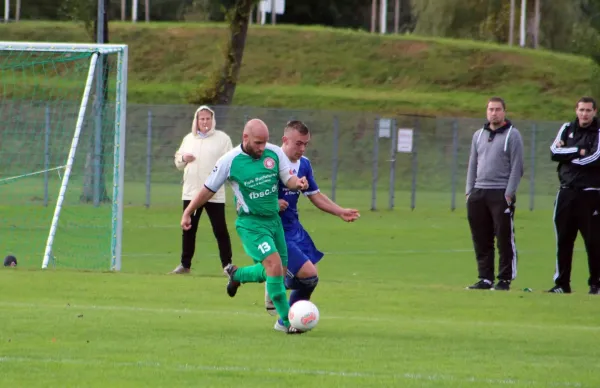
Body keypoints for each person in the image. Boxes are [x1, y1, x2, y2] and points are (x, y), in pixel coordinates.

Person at [181, 118, 309, 334]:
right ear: (245, 138)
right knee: (275, 265)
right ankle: (287, 322)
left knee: (277, 271)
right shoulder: (229, 161)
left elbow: (288, 178)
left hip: (273, 222)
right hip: (251, 224)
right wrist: (188, 211)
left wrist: (298, 183)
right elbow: (207, 189)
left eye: (265, 142)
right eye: (258, 143)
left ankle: (237, 275)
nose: (262, 148)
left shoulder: (274, 153)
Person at [264, 121, 360, 318]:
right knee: (307, 274)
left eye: (305, 144)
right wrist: (273, 201)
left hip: (294, 228)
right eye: (298, 143)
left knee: (310, 278)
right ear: (285, 140)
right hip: (274, 230)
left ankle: (287, 317)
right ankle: (275, 284)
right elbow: (253, 192)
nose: (302, 148)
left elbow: (315, 195)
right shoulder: (270, 163)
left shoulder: (304, 164)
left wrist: (339, 211)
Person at [465, 97, 524, 291]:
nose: (494, 113)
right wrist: (469, 191)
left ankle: (504, 279)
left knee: (504, 237)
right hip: (479, 192)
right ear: (486, 111)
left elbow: (517, 166)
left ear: (504, 112)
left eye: (498, 109)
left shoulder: (512, 135)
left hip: (500, 193)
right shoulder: (478, 135)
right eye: (491, 109)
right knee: (481, 238)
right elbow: (473, 163)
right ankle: (485, 278)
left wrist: (509, 193)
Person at [171, 106, 234, 275]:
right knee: (188, 229)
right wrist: (184, 158)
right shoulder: (189, 139)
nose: (205, 122)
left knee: (220, 229)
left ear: (212, 120)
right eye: (201, 119)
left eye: (207, 118)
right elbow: (178, 161)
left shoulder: (222, 139)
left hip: (213, 193)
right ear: (196, 121)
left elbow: (230, 162)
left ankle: (227, 265)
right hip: (191, 192)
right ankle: (185, 265)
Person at [548, 96, 600, 295]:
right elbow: (554, 151)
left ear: (594, 111)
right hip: (566, 192)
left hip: (591, 194)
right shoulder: (567, 128)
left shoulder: (598, 132)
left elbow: (596, 157)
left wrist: (569, 157)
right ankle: (562, 284)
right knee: (563, 239)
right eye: (581, 110)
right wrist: (579, 150)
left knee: (594, 241)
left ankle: (595, 283)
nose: (584, 114)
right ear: (576, 110)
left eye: (588, 110)